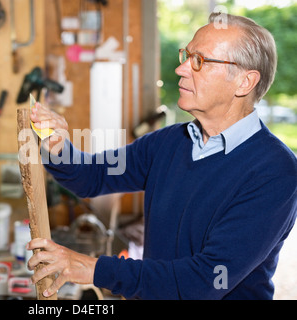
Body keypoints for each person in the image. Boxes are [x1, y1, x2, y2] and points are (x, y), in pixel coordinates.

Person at [26, 12, 297, 300]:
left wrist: (93, 268)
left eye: (199, 61)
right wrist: (57, 145)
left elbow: (206, 280)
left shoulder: (275, 172)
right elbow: (92, 177)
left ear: (245, 82)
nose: (181, 69)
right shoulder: (170, 142)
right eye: (186, 55)